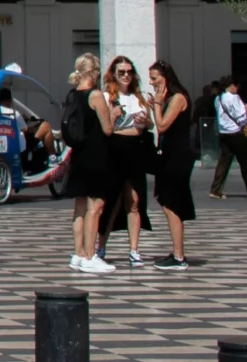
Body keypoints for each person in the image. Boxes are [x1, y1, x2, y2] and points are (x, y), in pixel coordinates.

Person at [62, 54, 118, 275]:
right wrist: (113, 114)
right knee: (96, 207)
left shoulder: (72, 95)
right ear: (93, 72)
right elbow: (107, 129)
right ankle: (89, 255)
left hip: (79, 155)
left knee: (80, 207)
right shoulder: (95, 95)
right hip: (96, 155)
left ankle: (77, 254)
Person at [101, 56, 157, 268]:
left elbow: (149, 126)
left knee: (134, 201)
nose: (126, 75)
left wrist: (147, 121)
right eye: (121, 72)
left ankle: (134, 250)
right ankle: (101, 246)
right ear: (113, 74)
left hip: (136, 150)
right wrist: (115, 118)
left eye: (129, 71)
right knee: (112, 201)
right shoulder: (107, 97)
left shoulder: (140, 98)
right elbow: (105, 127)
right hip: (115, 149)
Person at [146, 61, 196, 269]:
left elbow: (163, 125)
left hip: (178, 156)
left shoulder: (178, 98)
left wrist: (157, 105)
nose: (152, 82)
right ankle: (177, 252)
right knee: (167, 201)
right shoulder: (170, 99)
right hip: (169, 155)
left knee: (172, 202)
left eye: (155, 78)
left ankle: (179, 256)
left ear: (166, 77)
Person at [209, 75, 247, 198]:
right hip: (236, 133)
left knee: (223, 162)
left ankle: (215, 189)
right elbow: (241, 117)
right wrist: (246, 109)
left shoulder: (218, 98)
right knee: (245, 163)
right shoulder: (234, 98)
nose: (238, 89)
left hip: (224, 132)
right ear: (232, 85)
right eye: (237, 86)